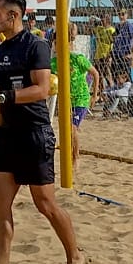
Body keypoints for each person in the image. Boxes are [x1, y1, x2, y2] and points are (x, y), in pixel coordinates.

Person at [0, 0, 82, 264]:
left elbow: (42, 90)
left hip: (34, 133)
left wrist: (3, 98)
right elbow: (0, 98)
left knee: (44, 203)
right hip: (6, 134)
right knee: (0, 202)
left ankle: (74, 254)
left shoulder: (36, 46)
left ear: (14, 14)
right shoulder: (0, 51)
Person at [49, 22, 99, 167]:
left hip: (81, 98)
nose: (55, 46)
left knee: (72, 128)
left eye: (58, 43)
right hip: (65, 100)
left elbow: (95, 74)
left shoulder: (77, 59)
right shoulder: (53, 63)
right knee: (66, 129)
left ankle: (75, 157)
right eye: (55, 43)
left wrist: (94, 95)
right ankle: (71, 155)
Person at [109, 9, 133, 79]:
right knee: (115, 77)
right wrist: (110, 54)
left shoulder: (129, 25)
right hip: (116, 56)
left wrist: (132, 54)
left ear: (126, 15)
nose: (121, 16)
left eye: (123, 14)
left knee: (125, 77)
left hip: (125, 56)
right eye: (119, 14)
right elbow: (113, 41)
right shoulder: (117, 27)